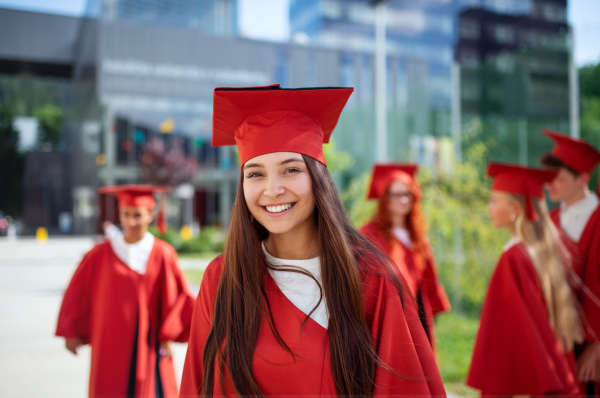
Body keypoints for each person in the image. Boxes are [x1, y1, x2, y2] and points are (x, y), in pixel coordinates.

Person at [179, 84, 445, 396]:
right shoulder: (223, 277)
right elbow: (199, 384)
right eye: (255, 174)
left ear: (318, 179)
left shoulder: (371, 279)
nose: (273, 189)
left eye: (291, 170)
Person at [56, 185, 196, 398]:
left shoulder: (162, 254)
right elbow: (79, 291)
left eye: (137, 215)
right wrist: (72, 330)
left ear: (151, 215)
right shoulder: (100, 254)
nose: (130, 221)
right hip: (109, 342)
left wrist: (168, 336)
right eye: (125, 214)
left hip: (149, 341)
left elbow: (177, 297)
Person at [467, 162, 583, 395]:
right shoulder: (541, 252)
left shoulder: (513, 259)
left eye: (494, 201)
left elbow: (505, 333)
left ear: (515, 210)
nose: (488, 207)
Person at [359, 163, 451, 354]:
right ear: (384, 198)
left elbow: (428, 276)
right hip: (389, 312)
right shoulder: (368, 235)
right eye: (396, 194)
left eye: (407, 194)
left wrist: (434, 304)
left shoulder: (416, 235)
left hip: (417, 309)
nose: (403, 200)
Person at [540, 129, 600, 392]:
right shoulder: (547, 222)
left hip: (591, 347)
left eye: (559, 178)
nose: (550, 184)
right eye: (548, 178)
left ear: (583, 178)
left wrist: (597, 346)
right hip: (554, 345)